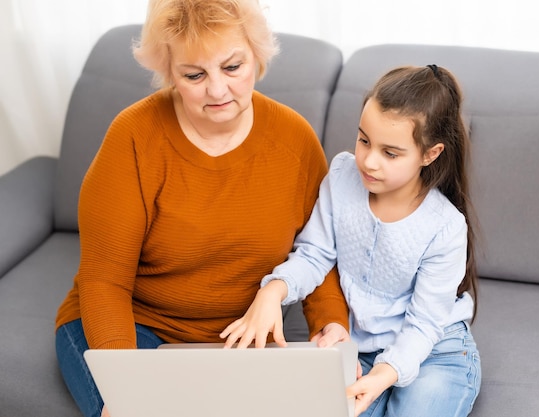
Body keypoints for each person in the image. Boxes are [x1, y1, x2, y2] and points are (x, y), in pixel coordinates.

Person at [54, 0, 350, 416]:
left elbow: (316, 256)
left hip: (240, 340)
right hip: (133, 327)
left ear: (257, 56)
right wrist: (126, 385)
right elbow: (104, 282)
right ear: (169, 71)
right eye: (194, 75)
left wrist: (331, 325)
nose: (217, 90)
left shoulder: (295, 140)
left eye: (232, 67)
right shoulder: (133, 137)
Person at [221, 65, 482, 417]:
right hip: (362, 349)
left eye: (390, 153)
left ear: (430, 154)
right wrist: (274, 290)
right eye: (364, 140)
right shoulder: (343, 174)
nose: (369, 161)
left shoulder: (446, 226)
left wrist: (383, 377)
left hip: (435, 349)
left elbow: (424, 325)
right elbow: (315, 255)